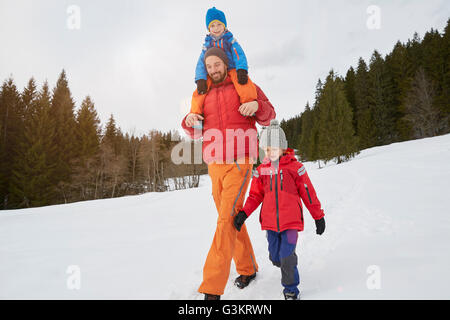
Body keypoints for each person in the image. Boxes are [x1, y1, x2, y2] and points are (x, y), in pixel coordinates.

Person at [181, 47, 276, 300]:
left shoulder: (242, 83)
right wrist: (189, 121)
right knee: (232, 217)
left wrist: (256, 105)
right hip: (214, 165)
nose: (213, 69)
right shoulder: (202, 91)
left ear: (225, 63)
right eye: (209, 66)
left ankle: (212, 288)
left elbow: (268, 114)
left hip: (240, 160)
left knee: (224, 221)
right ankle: (247, 268)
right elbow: (195, 130)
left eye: (217, 64)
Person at [233, 119, 326, 300]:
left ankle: (291, 289)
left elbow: (308, 193)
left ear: (283, 148)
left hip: (290, 223)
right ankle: (287, 261)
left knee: (286, 256)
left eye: (274, 148)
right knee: (276, 257)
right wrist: (244, 213)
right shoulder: (262, 171)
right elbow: (254, 196)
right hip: (270, 224)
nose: (270, 152)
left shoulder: (295, 168)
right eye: (267, 149)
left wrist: (318, 216)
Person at [189, 7, 257, 127]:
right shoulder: (207, 44)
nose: (216, 28)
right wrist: (200, 79)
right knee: (200, 92)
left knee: (243, 83)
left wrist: (241, 69)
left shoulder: (229, 40)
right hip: (214, 76)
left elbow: (238, 54)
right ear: (208, 28)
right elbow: (201, 63)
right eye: (212, 26)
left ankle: (248, 103)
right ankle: (196, 114)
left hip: (232, 69)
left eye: (219, 25)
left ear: (224, 26)